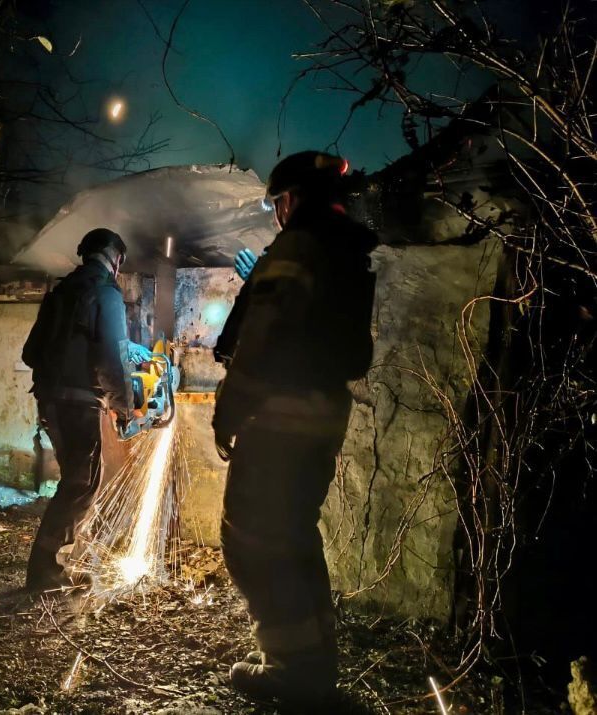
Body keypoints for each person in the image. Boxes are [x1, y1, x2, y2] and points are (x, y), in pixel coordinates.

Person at [212, 151, 378, 706]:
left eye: (277, 202)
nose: (277, 214)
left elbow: (263, 336)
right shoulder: (345, 251)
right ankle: (315, 667)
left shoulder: (299, 246)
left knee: (250, 543)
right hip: (322, 417)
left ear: (290, 198)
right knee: (293, 539)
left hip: (279, 418)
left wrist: (229, 409)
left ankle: (290, 671)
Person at [21, 228, 148, 592]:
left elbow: (31, 353)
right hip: (77, 403)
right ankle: (46, 571)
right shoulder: (105, 291)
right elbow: (111, 358)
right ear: (117, 258)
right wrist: (125, 407)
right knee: (82, 483)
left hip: (50, 400)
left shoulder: (61, 292)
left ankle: (48, 565)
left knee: (75, 480)